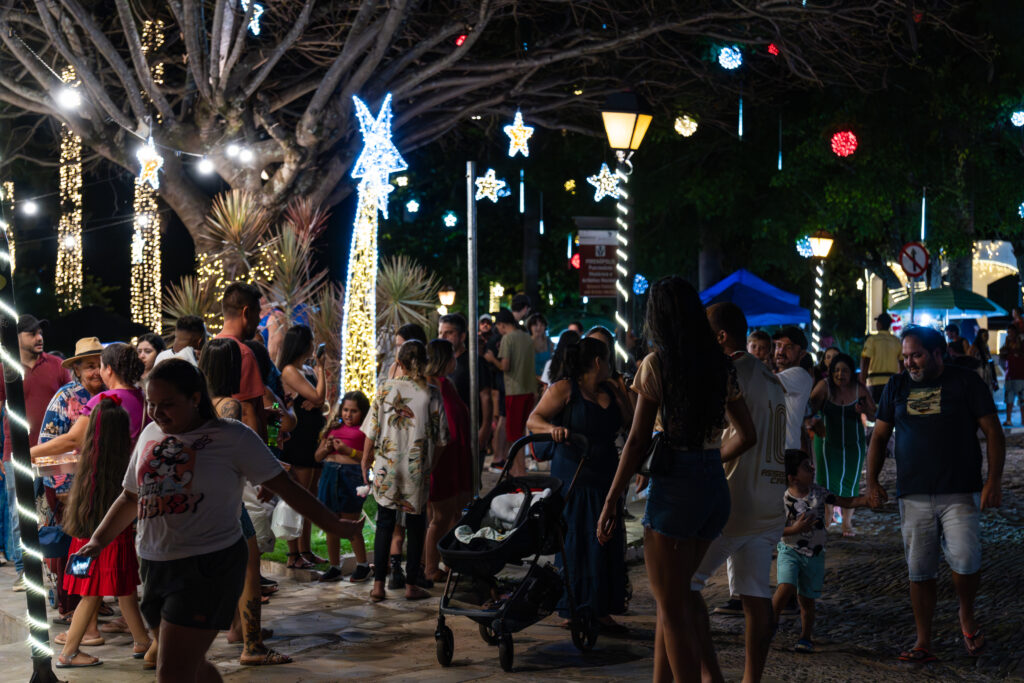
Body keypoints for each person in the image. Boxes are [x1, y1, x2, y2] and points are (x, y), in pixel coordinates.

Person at [74, 359, 364, 681]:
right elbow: (131, 497)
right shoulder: (150, 434)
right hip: (155, 565)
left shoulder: (232, 437)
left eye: (168, 404)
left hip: (208, 566)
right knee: (191, 665)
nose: (157, 413)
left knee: (171, 673)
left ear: (195, 398)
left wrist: (335, 526)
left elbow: (287, 488)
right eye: (152, 404)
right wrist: (98, 541)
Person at [596, 276, 756, 682]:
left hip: (676, 490)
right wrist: (710, 459)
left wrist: (612, 499)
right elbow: (747, 433)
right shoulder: (720, 365)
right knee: (679, 596)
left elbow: (636, 441)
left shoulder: (657, 364)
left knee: (671, 607)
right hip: (712, 489)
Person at [866, 325, 1004, 664]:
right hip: (912, 493)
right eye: (906, 356)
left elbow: (993, 432)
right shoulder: (896, 386)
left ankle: (966, 615)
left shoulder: (965, 382)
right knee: (919, 569)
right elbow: (880, 437)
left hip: (959, 489)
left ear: (938, 353)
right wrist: (871, 481)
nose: (909, 363)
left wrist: (994, 481)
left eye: (916, 355)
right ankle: (923, 640)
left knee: (966, 561)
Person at [691, 303, 787, 683]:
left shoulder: (729, 374)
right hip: (769, 500)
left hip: (733, 497)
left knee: (683, 585)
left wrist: (709, 462)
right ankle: (751, 678)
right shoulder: (769, 376)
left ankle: (711, 676)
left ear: (720, 336)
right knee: (755, 594)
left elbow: (733, 436)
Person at [527, 336, 633, 632]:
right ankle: (571, 609)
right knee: (574, 543)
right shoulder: (564, 388)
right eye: (609, 359)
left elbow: (630, 422)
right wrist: (554, 430)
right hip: (574, 478)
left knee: (605, 542)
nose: (612, 365)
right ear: (598, 361)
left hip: (606, 478)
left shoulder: (610, 389)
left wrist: (623, 392)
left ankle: (601, 609)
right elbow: (533, 420)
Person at [198, 339, 290, 666]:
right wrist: (266, 472)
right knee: (250, 569)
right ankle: (252, 645)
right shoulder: (229, 406)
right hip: (228, 501)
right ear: (232, 368)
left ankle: (238, 629)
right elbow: (232, 451)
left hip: (203, 499)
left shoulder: (196, 403)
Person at [55, 397, 151, 669]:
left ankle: (142, 640)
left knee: (123, 590)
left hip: (86, 537)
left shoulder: (88, 462)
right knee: (93, 594)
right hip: (111, 539)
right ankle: (69, 654)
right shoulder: (125, 465)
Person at [363, 340, 449, 602]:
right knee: (415, 524)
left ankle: (378, 586)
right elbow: (443, 439)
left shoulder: (384, 389)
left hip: (386, 468)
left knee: (384, 523)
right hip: (416, 469)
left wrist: (365, 459)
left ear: (398, 363)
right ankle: (411, 584)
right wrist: (430, 464)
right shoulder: (431, 393)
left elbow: (372, 431)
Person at [0, 314, 72, 589]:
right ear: (16, 338)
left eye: (40, 332)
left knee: (60, 510)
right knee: (21, 514)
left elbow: (73, 403)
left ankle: (61, 572)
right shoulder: (5, 369)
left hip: (56, 452)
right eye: (31, 333)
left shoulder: (57, 365)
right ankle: (25, 571)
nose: (39, 337)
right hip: (16, 453)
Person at [37, 338, 106, 626]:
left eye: (100, 365)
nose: (96, 372)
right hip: (71, 489)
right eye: (89, 366)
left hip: (101, 488)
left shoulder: (109, 394)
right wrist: (67, 491)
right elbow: (49, 446)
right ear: (76, 370)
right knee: (75, 551)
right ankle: (72, 606)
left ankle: (93, 602)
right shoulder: (65, 399)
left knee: (97, 548)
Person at [772, 450, 867, 654]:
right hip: (789, 550)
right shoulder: (782, 499)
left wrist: (866, 500)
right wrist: (795, 530)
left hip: (814, 555)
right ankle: (768, 626)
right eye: (807, 467)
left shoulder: (820, 493)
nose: (812, 469)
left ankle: (805, 637)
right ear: (792, 477)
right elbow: (775, 529)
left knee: (807, 600)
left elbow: (846, 501)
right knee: (785, 587)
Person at [807, 353, 875, 536]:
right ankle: (827, 520)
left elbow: (873, 416)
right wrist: (814, 420)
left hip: (854, 445)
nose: (840, 374)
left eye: (844, 370)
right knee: (827, 483)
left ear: (851, 372)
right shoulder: (824, 387)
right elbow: (808, 409)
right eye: (836, 370)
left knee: (850, 483)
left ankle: (847, 523)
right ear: (830, 372)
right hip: (827, 445)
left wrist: (865, 409)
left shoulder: (859, 389)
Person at [277, 325, 328, 569]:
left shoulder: (306, 369)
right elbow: (317, 398)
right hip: (298, 439)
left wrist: (320, 374)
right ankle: (293, 554)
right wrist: (316, 398)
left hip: (313, 437)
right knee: (299, 496)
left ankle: (305, 550)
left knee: (311, 498)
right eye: (310, 341)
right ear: (302, 343)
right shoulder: (289, 370)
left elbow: (321, 399)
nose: (313, 345)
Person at [424, 339, 472, 582]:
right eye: (452, 355)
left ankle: (450, 561)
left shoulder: (447, 384)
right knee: (440, 517)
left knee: (452, 514)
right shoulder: (434, 386)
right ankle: (430, 566)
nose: (456, 359)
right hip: (443, 458)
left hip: (456, 456)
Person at [314, 391, 371, 583]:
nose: (348, 414)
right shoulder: (333, 427)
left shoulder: (365, 431)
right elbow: (317, 456)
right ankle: (334, 566)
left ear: (362, 413)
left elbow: (370, 458)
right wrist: (326, 448)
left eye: (353, 411)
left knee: (351, 523)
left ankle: (362, 565)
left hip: (351, 476)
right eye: (345, 410)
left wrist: (349, 451)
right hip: (330, 474)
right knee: (331, 522)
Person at [484, 309, 536, 476]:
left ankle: (519, 472)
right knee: (521, 432)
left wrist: (492, 359)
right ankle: (516, 468)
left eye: (498, 326)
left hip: (514, 391)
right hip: (529, 390)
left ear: (502, 324)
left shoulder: (507, 339)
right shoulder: (527, 337)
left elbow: (505, 366)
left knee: (514, 434)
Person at [439, 313, 492, 453]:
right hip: (448, 432)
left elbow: (486, 397)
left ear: (462, 336)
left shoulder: (475, 362)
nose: (443, 337)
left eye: (448, 333)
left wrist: (485, 429)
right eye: (440, 333)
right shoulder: (439, 365)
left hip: (470, 430)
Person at [773, 327, 814, 454]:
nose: (780, 351)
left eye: (789, 347)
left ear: (802, 353)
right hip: (771, 451)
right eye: (778, 345)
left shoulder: (800, 375)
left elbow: (765, 384)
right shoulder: (775, 375)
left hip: (785, 451)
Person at [861, 313, 903, 404]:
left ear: (879, 324)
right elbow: (902, 363)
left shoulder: (872, 340)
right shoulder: (896, 341)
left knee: (875, 411)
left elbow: (865, 361)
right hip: (892, 383)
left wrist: (862, 381)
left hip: (874, 383)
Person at [999, 326, 1024, 426]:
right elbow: (1002, 358)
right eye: (1008, 332)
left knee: (1021, 399)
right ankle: (1008, 419)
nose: (1009, 334)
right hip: (1010, 375)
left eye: (1010, 332)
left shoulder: (1021, 345)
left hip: (1020, 375)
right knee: (1009, 399)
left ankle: (1022, 419)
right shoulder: (1006, 346)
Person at [527, 312, 554, 386]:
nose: (539, 328)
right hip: (531, 383)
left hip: (547, 383)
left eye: (542, 325)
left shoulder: (549, 343)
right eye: (535, 325)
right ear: (530, 327)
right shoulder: (526, 343)